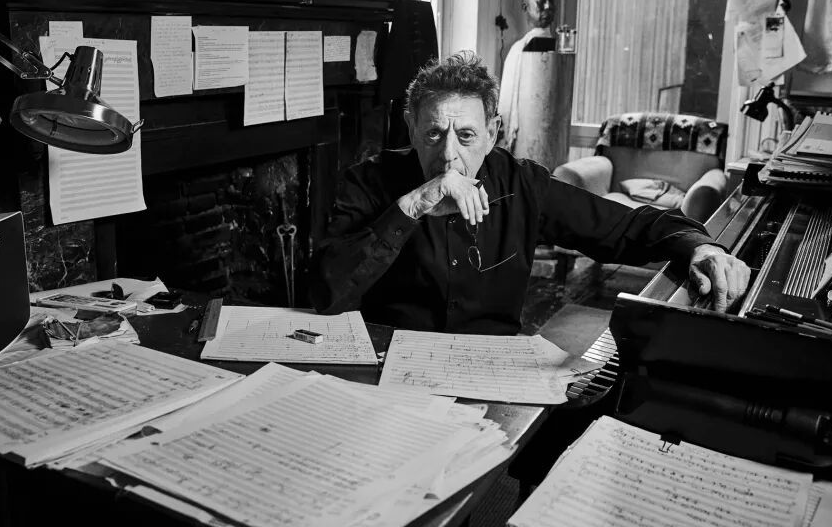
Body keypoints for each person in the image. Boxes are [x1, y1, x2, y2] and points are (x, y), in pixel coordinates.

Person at [311, 51, 750, 333]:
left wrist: (699, 246)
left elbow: (625, 227)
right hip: (390, 370)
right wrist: (412, 205)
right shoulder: (369, 181)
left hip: (492, 370)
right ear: (411, 129)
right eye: (432, 134)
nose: (448, 155)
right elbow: (326, 293)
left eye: (465, 136)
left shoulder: (521, 184)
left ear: (491, 133)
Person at [498, 0, 559, 163]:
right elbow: (507, 104)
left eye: (550, 1)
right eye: (541, 2)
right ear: (525, 7)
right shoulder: (518, 50)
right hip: (524, 136)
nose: (547, 7)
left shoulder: (556, 47)